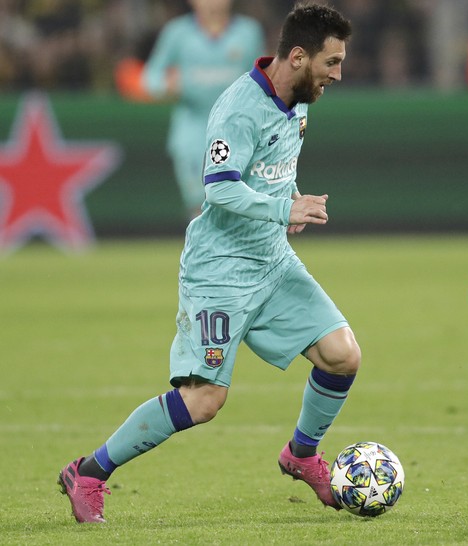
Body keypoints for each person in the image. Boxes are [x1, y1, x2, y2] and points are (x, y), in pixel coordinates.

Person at [58, 4, 355, 524]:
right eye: (331, 62)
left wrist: (288, 202)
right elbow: (218, 190)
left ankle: (302, 455)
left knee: (342, 355)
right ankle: (88, 472)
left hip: (272, 261)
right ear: (299, 56)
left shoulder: (301, 98)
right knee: (202, 401)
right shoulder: (240, 108)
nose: (337, 74)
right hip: (220, 272)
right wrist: (284, 208)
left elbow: (268, 171)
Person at [141, 0, 265, 218]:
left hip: (238, 132)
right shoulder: (177, 33)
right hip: (192, 132)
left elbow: (263, 78)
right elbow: (151, 78)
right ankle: (203, 250)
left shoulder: (248, 32)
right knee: (200, 206)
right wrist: (165, 86)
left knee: (238, 202)